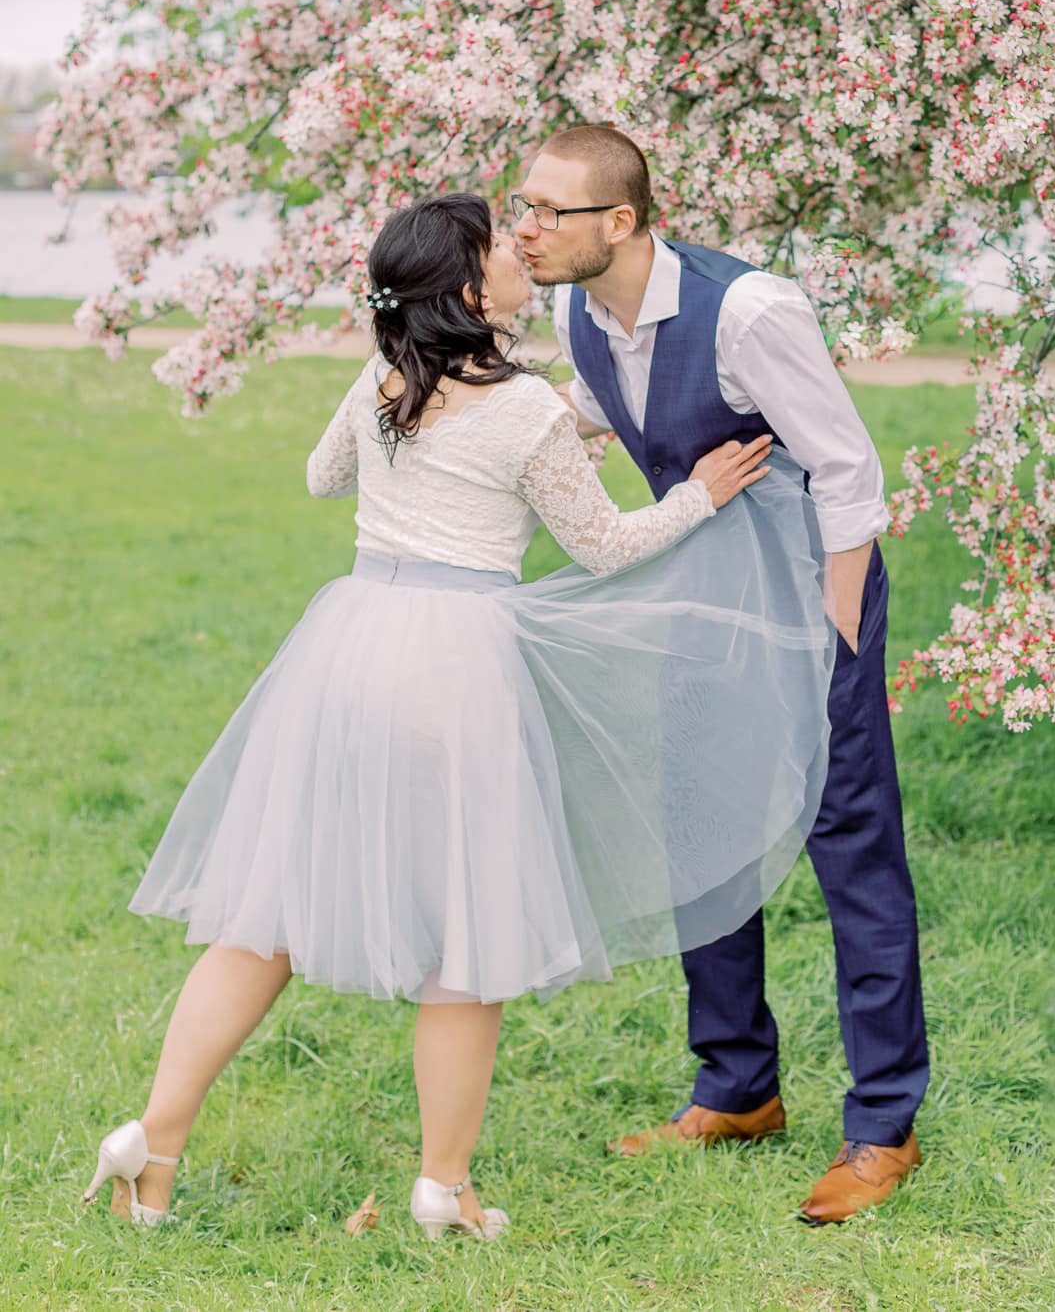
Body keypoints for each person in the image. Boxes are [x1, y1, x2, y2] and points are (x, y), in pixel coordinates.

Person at [81, 192, 836, 1240]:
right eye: (499, 246)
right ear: (472, 289)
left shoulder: (388, 379)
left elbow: (321, 474)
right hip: (457, 667)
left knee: (267, 920)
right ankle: (443, 1185)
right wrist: (702, 493)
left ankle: (151, 1146)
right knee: (467, 936)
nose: (522, 250)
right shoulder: (520, 412)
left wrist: (513, 426)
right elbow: (605, 548)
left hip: (348, 650)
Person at [515, 125, 929, 1226]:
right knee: (699, 823)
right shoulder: (575, 311)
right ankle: (738, 1088)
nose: (528, 228)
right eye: (525, 206)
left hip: (808, 591)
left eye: (553, 211)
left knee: (850, 841)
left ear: (624, 222)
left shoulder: (751, 312)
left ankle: (885, 1125)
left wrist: (838, 630)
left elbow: (847, 467)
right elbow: (607, 410)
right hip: (691, 590)